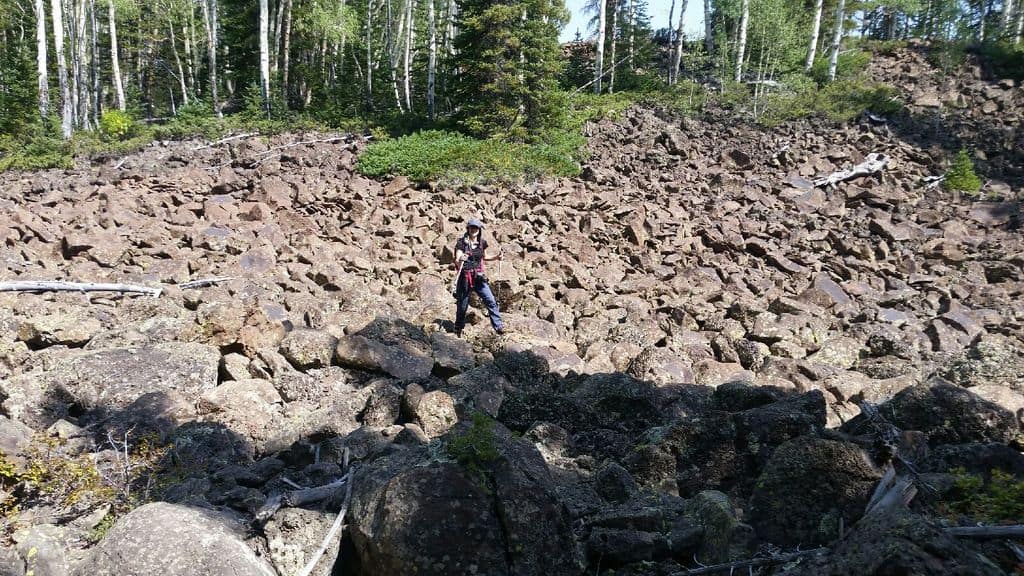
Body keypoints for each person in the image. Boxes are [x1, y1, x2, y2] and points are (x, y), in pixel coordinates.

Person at [453, 218, 504, 337]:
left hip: (478, 277)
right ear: (468, 228)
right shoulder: (461, 243)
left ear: (479, 230)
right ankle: (458, 328)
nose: (473, 230)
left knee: (490, 300)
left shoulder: (482, 243)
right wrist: (461, 258)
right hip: (465, 277)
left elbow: (484, 257)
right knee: (462, 306)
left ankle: (498, 326)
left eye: (476, 228)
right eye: (472, 227)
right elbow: (457, 258)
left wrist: (497, 257)